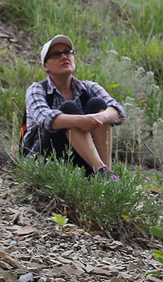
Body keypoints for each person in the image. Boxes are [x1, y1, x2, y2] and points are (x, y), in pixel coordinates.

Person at [23, 35, 125, 179]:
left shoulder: (89, 87)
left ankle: (105, 175)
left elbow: (117, 110)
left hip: (82, 157)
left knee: (98, 104)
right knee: (68, 108)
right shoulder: (37, 89)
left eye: (68, 52)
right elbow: (43, 118)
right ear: (46, 66)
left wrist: (98, 118)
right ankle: (102, 173)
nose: (64, 57)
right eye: (56, 54)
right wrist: (80, 121)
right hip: (45, 160)